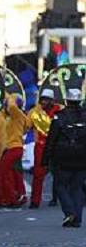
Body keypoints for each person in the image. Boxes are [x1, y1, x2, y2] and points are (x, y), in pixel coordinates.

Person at [42, 89, 86, 228]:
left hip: (63, 156)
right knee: (77, 187)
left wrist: (45, 159)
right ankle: (77, 217)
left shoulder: (59, 117)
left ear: (66, 101)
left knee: (61, 185)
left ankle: (69, 212)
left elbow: (51, 140)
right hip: (82, 156)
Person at [0, 94, 30, 209]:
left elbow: (12, 106)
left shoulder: (17, 115)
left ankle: (3, 199)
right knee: (11, 174)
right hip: (14, 148)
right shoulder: (17, 117)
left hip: (13, 148)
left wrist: (10, 96)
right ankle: (13, 197)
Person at [27, 88, 62, 208]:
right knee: (38, 173)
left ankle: (56, 198)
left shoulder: (60, 110)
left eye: (46, 100)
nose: (43, 102)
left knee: (58, 173)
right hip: (41, 146)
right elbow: (26, 126)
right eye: (42, 99)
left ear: (52, 101)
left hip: (57, 146)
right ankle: (35, 201)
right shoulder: (34, 112)